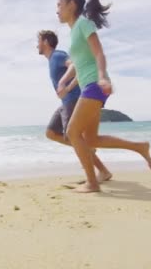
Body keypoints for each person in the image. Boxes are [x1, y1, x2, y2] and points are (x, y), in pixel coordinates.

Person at [56, 0, 151, 193]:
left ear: (71, 4)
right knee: (89, 139)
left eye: (59, 4)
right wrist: (68, 84)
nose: (57, 10)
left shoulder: (83, 23)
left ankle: (92, 183)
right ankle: (139, 147)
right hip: (89, 85)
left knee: (73, 132)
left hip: (95, 85)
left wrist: (101, 77)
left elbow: (99, 54)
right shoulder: (73, 31)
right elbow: (81, 64)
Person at [36, 30, 113, 182]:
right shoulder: (52, 59)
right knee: (51, 132)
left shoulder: (58, 55)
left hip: (74, 99)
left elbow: (75, 66)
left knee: (73, 136)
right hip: (66, 102)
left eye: (38, 40)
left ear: (45, 42)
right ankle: (90, 155)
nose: (36, 45)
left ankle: (100, 171)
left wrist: (66, 85)